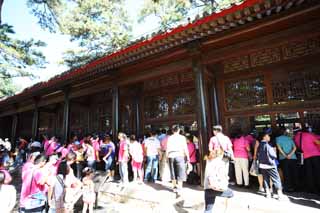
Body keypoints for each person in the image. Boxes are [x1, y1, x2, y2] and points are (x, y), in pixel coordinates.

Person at [258, 131, 286, 200]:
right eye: (268, 136)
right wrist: (274, 151)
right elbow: (273, 156)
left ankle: (268, 194)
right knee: (276, 179)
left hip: (262, 165)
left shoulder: (260, 145)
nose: (269, 137)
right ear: (264, 137)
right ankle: (280, 195)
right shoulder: (268, 146)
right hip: (270, 165)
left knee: (265, 179)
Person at [294, 128, 320, 194]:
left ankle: (311, 188)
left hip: (305, 157)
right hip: (315, 155)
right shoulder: (309, 135)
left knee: (309, 172)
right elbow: (318, 142)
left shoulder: (295, 137)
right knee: (317, 171)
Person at [166, 125, 190, 196]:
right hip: (179, 155)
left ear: (172, 130)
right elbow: (185, 148)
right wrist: (188, 157)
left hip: (171, 155)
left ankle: (174, 187)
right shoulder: (182, 138)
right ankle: (180, 187)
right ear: (179, 130)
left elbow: (168, 148)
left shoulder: (170, 138)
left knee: (172, 171)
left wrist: (167, 157)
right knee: (181, 172)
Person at [276, 127, 298, 192]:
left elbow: (279, 148)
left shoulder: (277, 139)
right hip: (293, 158)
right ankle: (296, 187)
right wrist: (290, 155)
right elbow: (294, 148)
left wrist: (285, 155)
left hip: (283, 159)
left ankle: (288, 187)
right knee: (294, 172)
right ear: (285, 132)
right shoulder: (289, 138)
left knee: (286, 173)